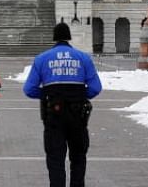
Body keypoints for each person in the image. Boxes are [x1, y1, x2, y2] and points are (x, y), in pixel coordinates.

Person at [23, 23, 102, 187]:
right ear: (69, 37)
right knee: (78, 157)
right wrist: (79, 96)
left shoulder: (42, 59)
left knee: (55, 159)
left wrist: (47, 95)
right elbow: (95, 88)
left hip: (54, 115)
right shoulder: (83, 57)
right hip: (78, 115)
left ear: (54, 37)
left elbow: (29, 89)